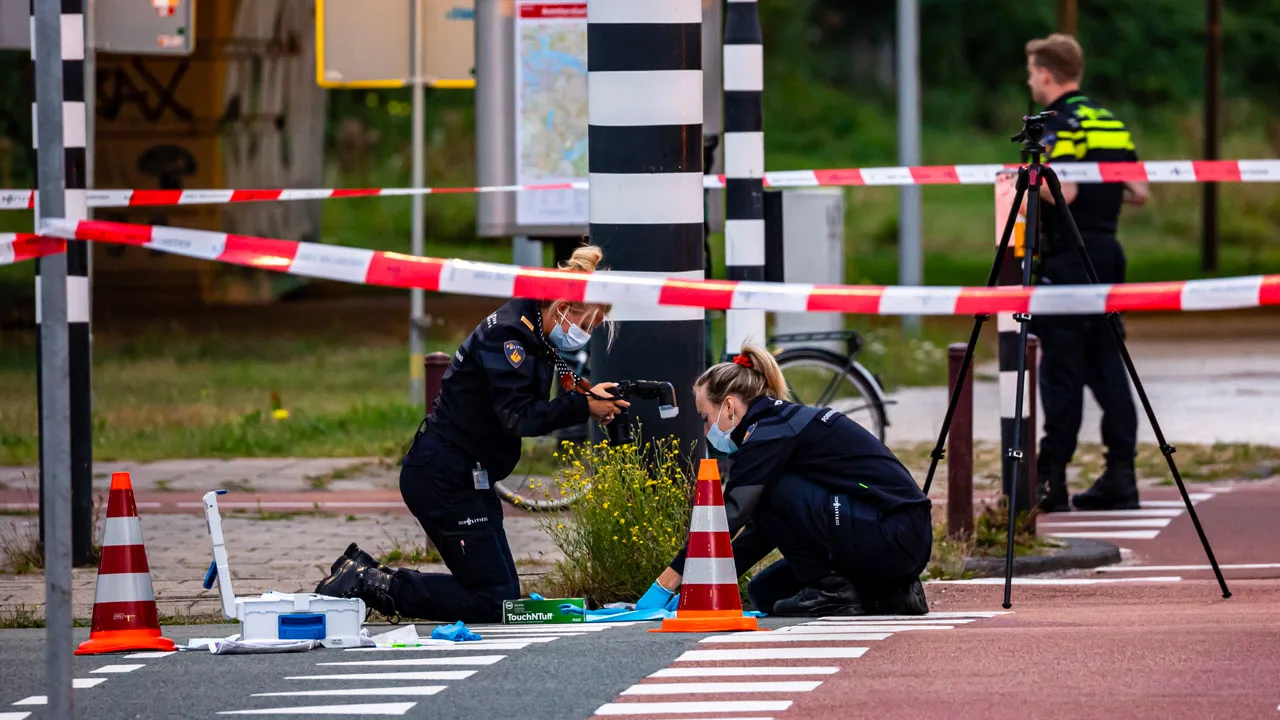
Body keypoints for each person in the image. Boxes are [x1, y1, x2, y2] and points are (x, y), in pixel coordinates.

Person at [314, 245, 629, 622]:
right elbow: (517, 418)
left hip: (468, 475)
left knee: (504, 596)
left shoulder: (532, 327)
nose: (585, 335)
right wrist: (584, 408)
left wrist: (588, 393)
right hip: (444, 476)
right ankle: (368, 582)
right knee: (493, 601)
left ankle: (366, 574)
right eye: (588, 325)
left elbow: (541, 386)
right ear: (565, 308)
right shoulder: (510, 336)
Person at [636, 345, 933, 617]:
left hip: (895, 532)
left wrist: (667, 583)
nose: (705, 430)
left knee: (765, 494)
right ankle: (890, 594)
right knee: (765, 593)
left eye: (705, 417)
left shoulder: (771, 433)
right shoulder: (777, 425)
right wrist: (700, 585)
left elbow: (731, 514)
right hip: (882, 533)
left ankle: (834, 591)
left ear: (728, 406)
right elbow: (762, 531)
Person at [1024, 33, 1150, 513]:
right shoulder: (1110, 121)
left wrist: (1032, 179)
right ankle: (1122, 473)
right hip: (1108, 254)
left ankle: (1051, 479)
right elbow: (1139, 190)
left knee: (1061, 370)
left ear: (1048, 74)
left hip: (1068, 259)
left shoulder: (1059, 124)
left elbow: (1067, 191)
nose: (1031, 80)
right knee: (1107, 365)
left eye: (1033, 72)